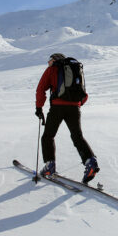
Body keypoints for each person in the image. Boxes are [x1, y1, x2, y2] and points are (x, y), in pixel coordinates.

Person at [35, 53, 99, 183]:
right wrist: (76, 104)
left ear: (55, 60)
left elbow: (41, 89)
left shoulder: (53, 69)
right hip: (74, 108)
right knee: (77, 136)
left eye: (50, 61)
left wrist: (39, 108)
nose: (49, 63)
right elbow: (83, 93)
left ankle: (49, 166)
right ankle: (90, 161)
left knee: (48, 136)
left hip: (57, 108)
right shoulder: (75, 69)